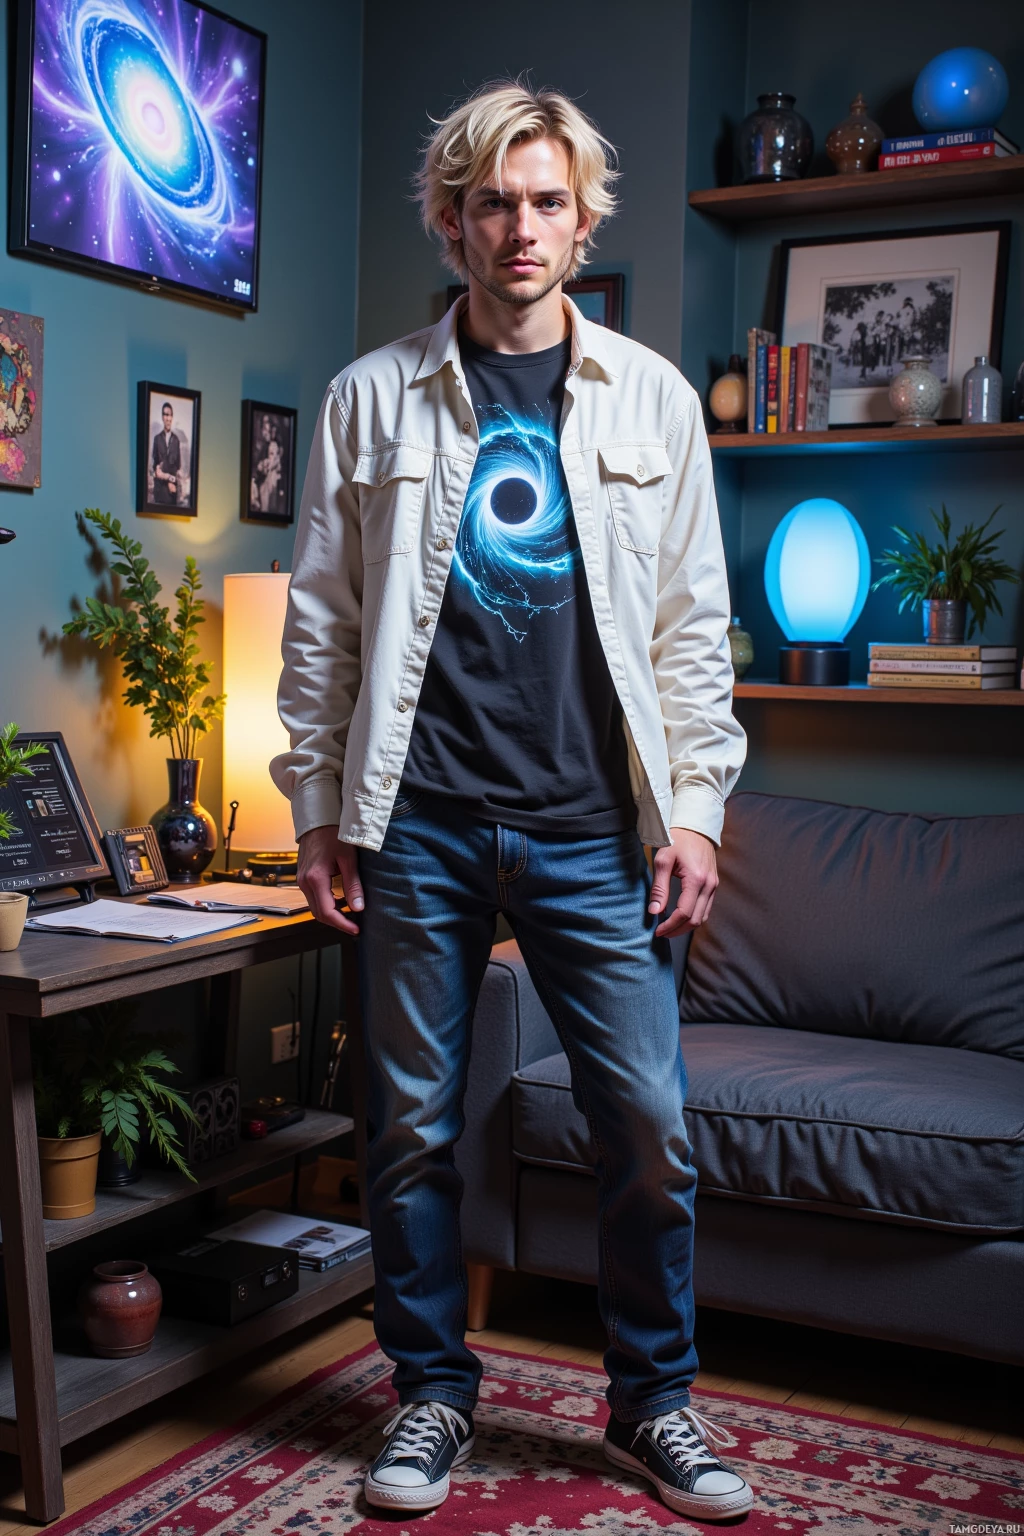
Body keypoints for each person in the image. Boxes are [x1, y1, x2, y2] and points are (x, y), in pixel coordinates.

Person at [271, 80, 750, 1522]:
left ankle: (652, 1405)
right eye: (492, 202)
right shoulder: (368, 398)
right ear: (451, 220)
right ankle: (431, 1393)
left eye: (546, 201)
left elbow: (692, 631)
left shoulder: (652, 400)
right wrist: (315, 808)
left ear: (584, 219)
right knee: (408, 1129)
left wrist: (697, 812)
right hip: (414, 823)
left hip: (595, 830)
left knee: (646, 1126)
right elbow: (322, 625)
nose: (520, 228)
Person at [151, 401, 182, 505]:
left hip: (171, 493)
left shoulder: (176, 440)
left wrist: (171, 481)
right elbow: (155, 469)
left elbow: (177, 466)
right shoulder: (157, 439)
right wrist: (166, 477)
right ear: (162, 417)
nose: (168, 418)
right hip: (160, 492)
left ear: (172, 417)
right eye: (166, 415)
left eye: (170, 415)